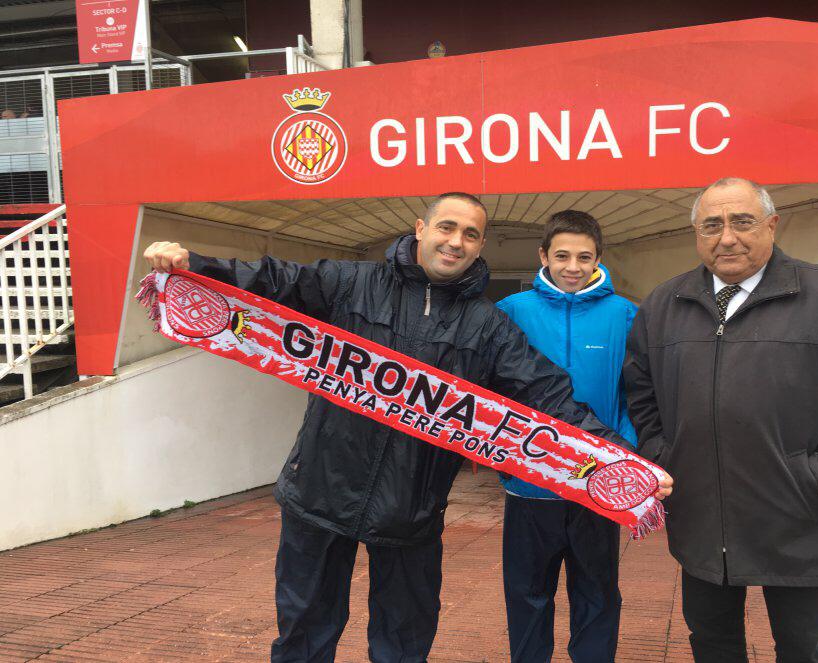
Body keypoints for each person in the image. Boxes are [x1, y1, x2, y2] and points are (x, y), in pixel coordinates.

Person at [143, 192, 673, 663]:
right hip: (320, 494)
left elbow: (545, 392)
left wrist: (619, 458)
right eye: (446, 227)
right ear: (421, 229)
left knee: (404, 643)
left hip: (412, 511)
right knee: (303, 637)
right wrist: (196, 267)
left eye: (469, 234)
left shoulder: (487, 325)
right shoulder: (351, 284)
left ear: (481, 244)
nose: (455, 241)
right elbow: (278, 280)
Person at [623, 177, 818, 663]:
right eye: (711, 225)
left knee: (803, 648)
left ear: (772, 226)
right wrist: (663, 455)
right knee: (711, 644)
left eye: (742, 221)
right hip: (702, 514)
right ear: (696, 233)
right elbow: (641, 389)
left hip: (799, 515)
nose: (726, 237)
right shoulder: (664, 305)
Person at [495, 210, 637, 663]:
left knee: (597, 594)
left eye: (584, 256)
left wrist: (627, 456)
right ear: (543, 255)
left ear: (598, 258)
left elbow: (640, 393)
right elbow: (489, 389)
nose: (573, 266)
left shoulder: (626, 315)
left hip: (598, 485)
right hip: (528, 483)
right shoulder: (510, 313)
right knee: (527, 594)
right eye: (562, 256)